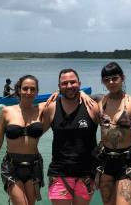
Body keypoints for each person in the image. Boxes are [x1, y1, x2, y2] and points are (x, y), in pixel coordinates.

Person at [81, 62, 131, 205]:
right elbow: (74, 98)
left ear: (122, 78)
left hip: (126, 163)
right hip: (105, 163)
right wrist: (74, 92)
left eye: (114, 78)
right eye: (106, 80)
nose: (111, 82)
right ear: (102, 81)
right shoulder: (99, 102)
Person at [41, 69, 100, 205]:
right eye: (64, 83)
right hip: (59, 172)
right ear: (59, 86)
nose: (69, 86)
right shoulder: (51, 108)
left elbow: (111, 128)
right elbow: (36, 134)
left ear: (79, 83)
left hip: (86, 173)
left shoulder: (92, 107)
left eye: (72, 82)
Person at [0, 75, 46, 205]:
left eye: (32, 89)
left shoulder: (42, 109)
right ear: (19, 90)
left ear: (37, 92)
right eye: (25, 88)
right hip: (12, 165)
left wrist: (83, 95)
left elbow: (65, 98)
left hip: (34, 164)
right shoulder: (7, 111)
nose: (29, 92)